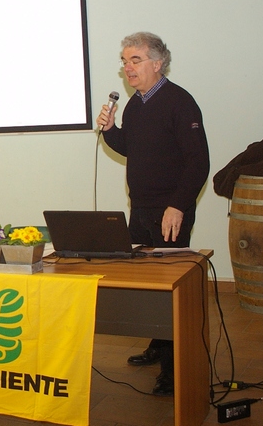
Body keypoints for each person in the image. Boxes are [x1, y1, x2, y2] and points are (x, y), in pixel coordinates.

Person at [96, 32, 210, 397]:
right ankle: (157, 346)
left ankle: (173, 370)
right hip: (141, 208)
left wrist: (178, 205)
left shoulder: (179, 102)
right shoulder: (135, 105)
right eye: (125, 61)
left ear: (157, 63)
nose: (127, 67)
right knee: (147, 285)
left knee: (168, 290)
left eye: (135, 60)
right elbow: (130, 148)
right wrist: (111, 130)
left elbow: (198, 162)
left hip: (170, 210)